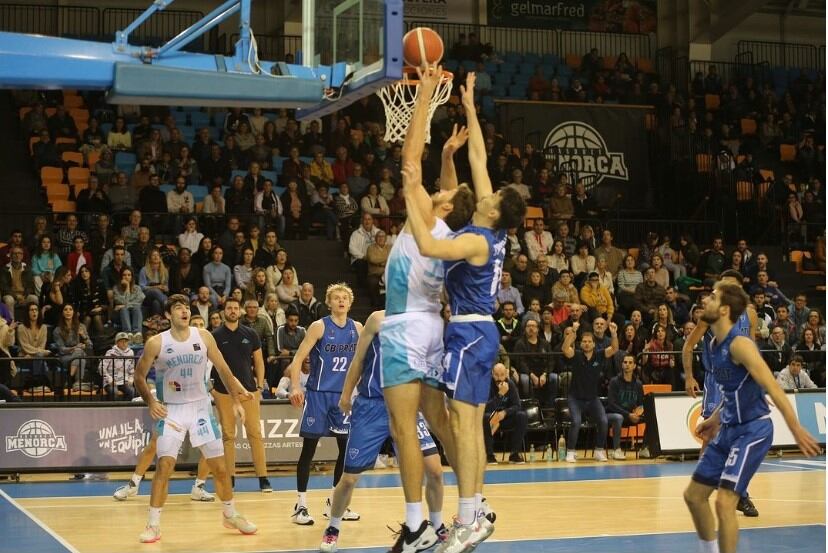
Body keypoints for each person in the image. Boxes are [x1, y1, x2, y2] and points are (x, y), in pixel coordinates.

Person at [403, 70, 526, 553]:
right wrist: (471, 108)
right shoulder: (490, 229)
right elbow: (479, 157)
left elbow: (430, 244)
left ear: (494, 212)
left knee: (465, 424)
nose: (486, 191)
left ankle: (471, 515)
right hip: (475, 333)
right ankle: (472, 512)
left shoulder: (476, 238)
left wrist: (415, 194)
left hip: (471, 333)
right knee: (462, 424)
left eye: (492, 196)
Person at [375, 72, 475, 552]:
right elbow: (446, 186)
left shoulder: (428, 219)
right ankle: (471, 507)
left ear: (445, 207)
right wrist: (452, 156)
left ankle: (415, 525)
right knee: (439, 421)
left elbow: (410, 157)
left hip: (404, 326)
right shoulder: (453, 235)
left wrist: (421, 99)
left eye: (446, 191)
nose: (440, 188)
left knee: (402, 428)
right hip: (433, 327)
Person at [683, 282, 819, 553]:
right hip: (728, 428)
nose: (704, 300)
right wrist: (716, 418)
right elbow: (735, 391)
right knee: (694, 496)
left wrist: (796, 428)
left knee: (724, 502)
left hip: (753, 430)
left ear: (723, 310)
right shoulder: (711, 344)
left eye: (711, 297)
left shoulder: (740, 344)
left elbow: (773, 386)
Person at [132, 294, 257, 542]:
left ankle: (230, 514)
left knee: (220, 469)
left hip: (201, 408)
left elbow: (223, 369)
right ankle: (153, 524)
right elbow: (138, 376)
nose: (184, 311)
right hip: (172, 409)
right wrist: (151, 401)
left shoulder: (204, 336)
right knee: (165, 466)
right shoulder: (156, 343)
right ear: (168, 315)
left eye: (186, 308)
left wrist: (235, 400)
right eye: (178, 308)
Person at [320, 310, 446, 551]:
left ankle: (437, 528)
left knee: (436, 471)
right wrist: (346, 395)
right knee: (348, 479)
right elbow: (357, 360)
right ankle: (333, 528)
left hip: (406, 406)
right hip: (372, 406)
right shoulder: (377, 319)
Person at [112, 315, 219, 503]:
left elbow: (209, 381)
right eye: (196, 325)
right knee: (154, 443)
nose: (199, 328)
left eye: (202, 325)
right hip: (174, 403)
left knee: (208, 447)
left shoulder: (206, 346)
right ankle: (133, 484)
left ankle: (199, 486)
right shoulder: (170, 345)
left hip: (200, 404)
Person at [286, 283, 362, 526]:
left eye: (345, 298)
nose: (341, 301)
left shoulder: (358, 328)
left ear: (350, 303)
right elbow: (298, 358)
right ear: (329, 302)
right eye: (336, 298)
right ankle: (301, 505)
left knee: (345, 450)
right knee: (309, 450)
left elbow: (363, 362)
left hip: (343, 397)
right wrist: (296, 387)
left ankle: (334, 503)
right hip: (318, 395)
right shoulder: (319, 326)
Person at [211, 298, 272, 492]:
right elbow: (207, 365)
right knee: (228, 436)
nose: (232, 311)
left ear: (241, 311)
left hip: (249, 392)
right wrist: (212, 389)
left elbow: (259, 362)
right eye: (229, 308)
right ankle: (230, 479)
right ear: (224, 312)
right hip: (223, 392)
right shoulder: (214, 336)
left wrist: (260, 386)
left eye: (236, 308)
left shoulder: (251, 333)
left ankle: (263, 478)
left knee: (255, 434)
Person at [560, 321, 619, 462]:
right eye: (584, 341)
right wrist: (573, 332)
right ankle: (570, 451)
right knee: (576, 421)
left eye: (589, 341)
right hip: (575, 398)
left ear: (593, 344)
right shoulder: (576, 355)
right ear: (581, 344)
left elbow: (615, 349)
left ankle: (599, 450)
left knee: (604, 421)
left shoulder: (599, 355)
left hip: (592, 398)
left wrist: (614, 334)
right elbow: (564, 348)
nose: (586, 344)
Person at [483, 363, 528, 464]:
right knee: (485, 417)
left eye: (502, 375)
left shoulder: (510, 384)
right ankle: (489, 455)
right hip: (492, 419)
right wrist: (500, 395)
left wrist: (505, 412)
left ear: (506, 374)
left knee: (522, 416)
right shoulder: (487, 385)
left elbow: (517, 405)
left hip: (505, 418)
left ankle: (514, 454)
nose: (499, 378)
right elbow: (485, 408)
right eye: (496, 375)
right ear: (492, 374)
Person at [606, 353, 645, 461]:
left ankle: (645, 447)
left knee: (651, 416)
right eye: (625, 362)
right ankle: (616, 450)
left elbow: (641, 403)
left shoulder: (638, 384)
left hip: (631, 415)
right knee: (619, 417)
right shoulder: (614, 382)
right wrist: (628, 414)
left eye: (630, 362)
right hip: (613, 414)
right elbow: (611, 404)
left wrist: (639, 411)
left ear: (634, 366)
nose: (627, 365)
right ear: (622, 365)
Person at [101, 332, 136, 400]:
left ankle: (126, 409)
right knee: (113, 391)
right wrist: (109, 379)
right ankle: (112, 410)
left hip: (124, 381)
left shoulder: (131, 352)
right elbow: (101, 368)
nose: (124, 343)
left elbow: (131, 369)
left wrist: (131, 379)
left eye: (125, 341)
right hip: (111, 381)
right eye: (121, 341)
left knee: (131, 391)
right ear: (117, 343)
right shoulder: (110, 352)